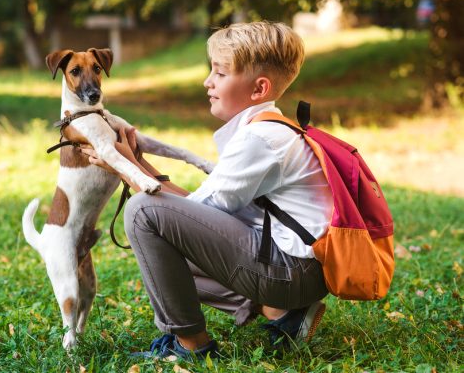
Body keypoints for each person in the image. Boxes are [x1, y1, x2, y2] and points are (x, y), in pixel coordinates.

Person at [82, 21, 333, 360]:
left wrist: (126, 169)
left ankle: (191, 347)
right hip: (293, 270)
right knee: (161, 244)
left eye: (220, 73)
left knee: (142, 211)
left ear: (258, 89)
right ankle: (282, 313)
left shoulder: (260, 140)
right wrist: (140, 164)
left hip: (290, 273)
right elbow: (193, 212)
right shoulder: (268, 129)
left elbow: (186, 214)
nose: (207, 82)